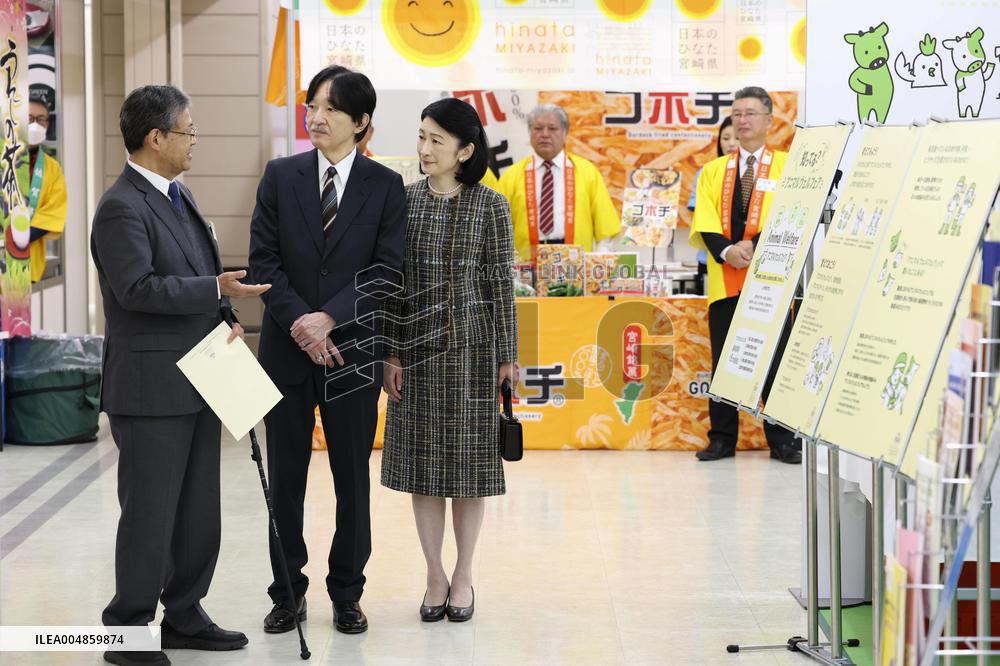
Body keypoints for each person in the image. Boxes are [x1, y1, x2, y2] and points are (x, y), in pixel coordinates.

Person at [92, 85, 269, 666]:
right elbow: (136, 289)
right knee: (150, 513)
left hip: (200, 375)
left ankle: (185, 615)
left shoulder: (179, 196)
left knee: (197, 512)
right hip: (149, 388)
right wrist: (214, 289)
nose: (196, 141)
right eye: (188, 131)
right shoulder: (121, 206)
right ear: (156, 138)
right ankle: (126, 630)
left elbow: (198, 271)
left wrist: (225, 314)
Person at [249, 65, 406, 636]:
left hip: (354, 353)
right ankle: (287, 592)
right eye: (313, 105)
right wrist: (301, 324)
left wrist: (330, 317)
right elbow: (263, 261)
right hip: (287, 351)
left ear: (361, 123)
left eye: (332, 108)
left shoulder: (385, 186)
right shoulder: (280, 175)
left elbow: (389, 270)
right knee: (284, 478)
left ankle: (347, 592)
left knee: (350, 478)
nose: (317, 116)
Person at [381, 98, 517, 623]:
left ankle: (463, 576)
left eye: (437, 140)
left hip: (474, 352)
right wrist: (390, 350)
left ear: (465, 150)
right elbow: (393, 282)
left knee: (470, 469)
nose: (424, 149)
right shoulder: (404, 201)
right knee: (423, 470)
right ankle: (433, 573)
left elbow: (499, 283)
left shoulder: (490, 205)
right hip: (415, 352)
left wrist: (507, 355)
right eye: (421, 137)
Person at [688, 87, 801, 465]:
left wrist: (755, 248)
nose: (743, 119)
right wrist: (728, 251)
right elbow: (704, 221)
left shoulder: (789, 167)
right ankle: (721, 439)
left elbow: (793, 215)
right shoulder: (713, 171)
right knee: (724, 361)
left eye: (751, 113)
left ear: (770, 120)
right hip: (726, 277)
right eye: (737, 113)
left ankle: (783, 439)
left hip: (770, 279)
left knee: (774, 358)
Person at [498, 104, 620, 261]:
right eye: (538, 128)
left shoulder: (587, 172)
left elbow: (605, 228)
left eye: (552, 128)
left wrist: (599, 262)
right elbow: (498, 227)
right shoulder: (512, 175)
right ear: (530, 133)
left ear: (565, 134)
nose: (545, 134)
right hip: (527, 266)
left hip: (574, 264)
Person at [688, 116, 739, 293]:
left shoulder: (758, 172)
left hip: (747, 258)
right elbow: (701, 214)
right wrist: (724, 249)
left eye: (737, 138)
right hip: (711, 259)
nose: (731, 143)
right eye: (725, 138)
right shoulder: (706, 172)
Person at [27, 95, 67, 282]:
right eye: (29, 118)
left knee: (17, 312)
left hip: (26, 264)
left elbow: (54, 214)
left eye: (41, 119)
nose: (35, 124)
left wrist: (17, 240)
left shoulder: (52, 168)